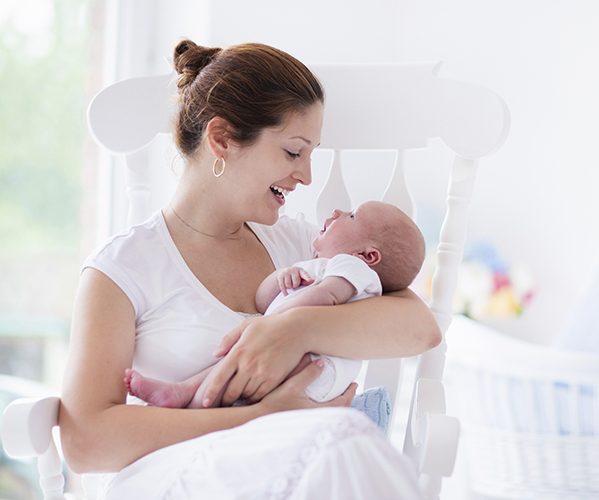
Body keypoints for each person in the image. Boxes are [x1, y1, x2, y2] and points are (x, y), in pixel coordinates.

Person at [59, 39, 440, 499]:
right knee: (344, 442)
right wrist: (267, 415)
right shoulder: (122, 270)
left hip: (288, 472)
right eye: (293, 152)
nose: (307, 176)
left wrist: (294, 329)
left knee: (344, 448)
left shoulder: (306, 245)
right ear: (221, 139)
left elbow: (420, 328)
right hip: (173, 476)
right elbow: (86, 442)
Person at [123, 200, 425, 408]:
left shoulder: (354, 269)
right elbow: (262, 299)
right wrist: (282, 278)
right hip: (306, 366)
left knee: (241, 360)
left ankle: (186, 395)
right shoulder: (318, 264)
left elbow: (327, 297)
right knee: (237, 364)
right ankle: (185, 393)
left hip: (316, 367)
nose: (337, 211)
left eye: (352, 216)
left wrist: (276, 323)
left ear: (369, 255)